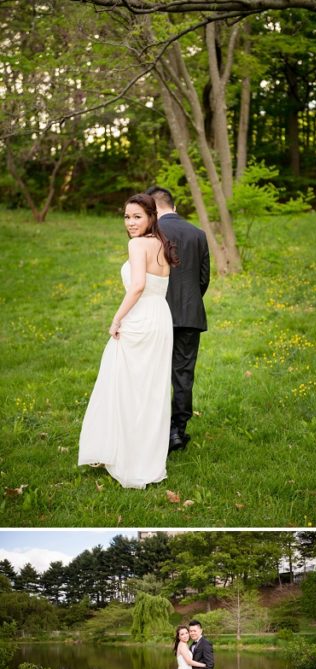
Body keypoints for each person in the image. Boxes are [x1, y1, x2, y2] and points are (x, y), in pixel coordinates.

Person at [78, 192, 177, 488]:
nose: (131, 223)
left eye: (137, 216)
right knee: (150, 389)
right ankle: (146, 456)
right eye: (127, 216)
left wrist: (116, 319)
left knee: (123, 384)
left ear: (151, 217)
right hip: (161, 316)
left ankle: (127, 455)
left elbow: (137, 287)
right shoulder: (161, 243)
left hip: (141, 316)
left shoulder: (137, 244)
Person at [144, 185, 210, 452]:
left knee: (153, 371)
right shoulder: (198, 234)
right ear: (173, 206)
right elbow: (204, 278)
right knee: (183, 375)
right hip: (190, 315)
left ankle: (153, 430)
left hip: (156, 312)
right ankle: (176, 433)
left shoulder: (152, 234)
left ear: (153, 209)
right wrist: (190, 301)